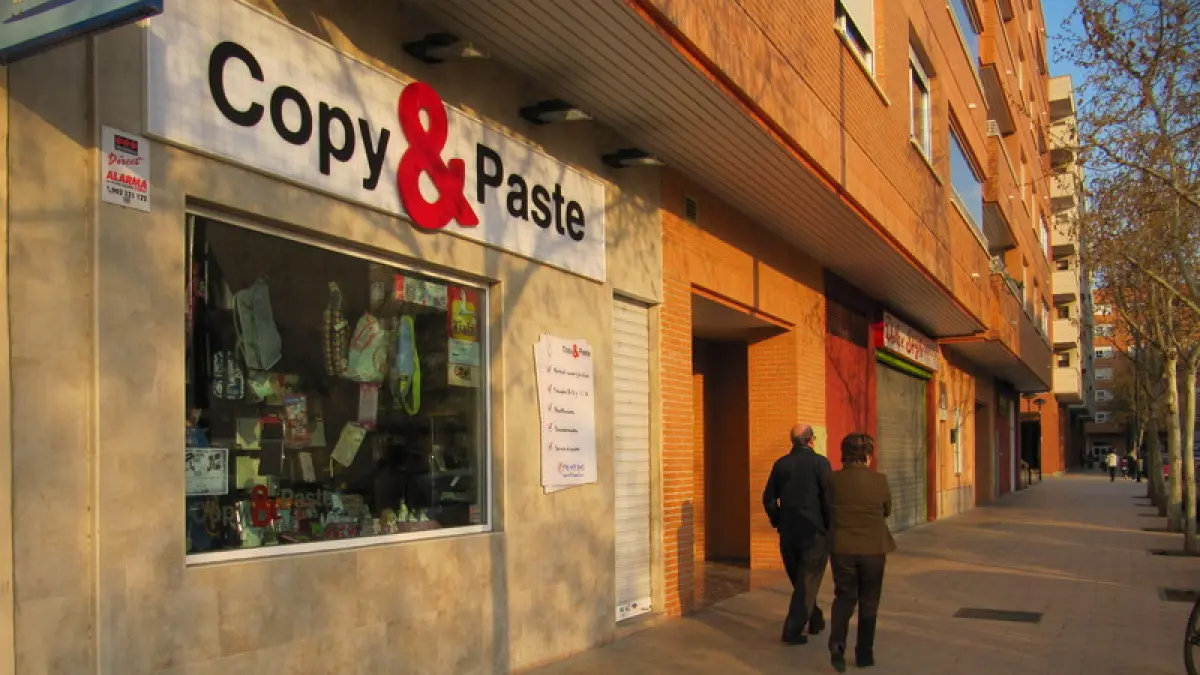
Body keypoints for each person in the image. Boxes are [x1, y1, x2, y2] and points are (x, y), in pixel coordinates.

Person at [827, 433, 895, 672]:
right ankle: (864, 654)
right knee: (869, 601)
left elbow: (825, 510)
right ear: (867, 455)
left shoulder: (832, 480)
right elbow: (886, 510)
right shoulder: (879, 480)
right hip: (873, 548)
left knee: (844, 597)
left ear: (844, 453)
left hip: (841, 547)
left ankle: (837, 645)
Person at [762, 423, 832, 645]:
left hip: (789, 533)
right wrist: (830, 527)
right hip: (814, 532)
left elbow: (768, 498)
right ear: (811, 441)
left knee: (802, 581)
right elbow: (829, 499)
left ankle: (815, 617)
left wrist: (777, 520)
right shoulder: (820, 464)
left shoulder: (781, 464)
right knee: (806, 581)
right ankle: (792, 630)